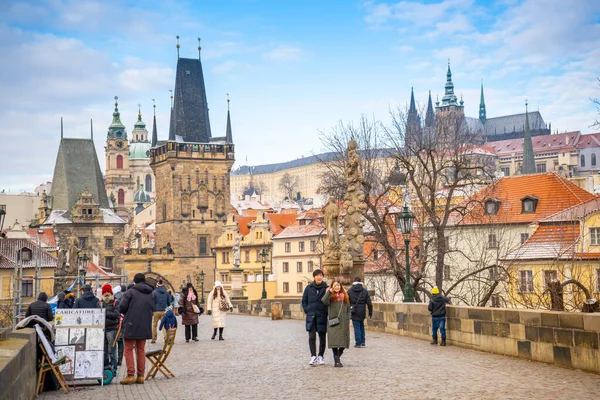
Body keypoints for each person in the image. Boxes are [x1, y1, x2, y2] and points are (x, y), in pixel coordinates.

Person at [119, 273, 154, 385]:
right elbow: (153, 307)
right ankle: (140, 376)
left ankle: (130, 375)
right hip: (145, 324)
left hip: (131, 323)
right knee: (140, 349)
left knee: (128, 349)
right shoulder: (151, 293)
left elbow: (122, 307)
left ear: (134, 281)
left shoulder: (130, 292)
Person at [301, 269, 329, 366]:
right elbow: (304, 300)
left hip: (322, 315)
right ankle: (313, 356)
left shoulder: (326, 288)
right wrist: (307, 310)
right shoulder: (309, 288)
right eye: (317, 275)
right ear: (314, 277)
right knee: (311, 337)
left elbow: (330, 301)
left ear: (322, 277)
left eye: (321, 275)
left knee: (322, 337)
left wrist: (326, 311)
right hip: (311, 316)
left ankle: (321, 356)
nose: (319, 277)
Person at [322, 279, 350, 367]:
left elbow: (348, 308)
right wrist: (329, 292)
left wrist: (348, 318)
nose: (337, 287)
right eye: (335, 285)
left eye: (338, 285)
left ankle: (337, 356)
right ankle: (337, 360)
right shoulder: (330, 297)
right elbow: (323, 301)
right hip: (333, 321)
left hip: (343, 322)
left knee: (343, 342)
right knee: (334, 341)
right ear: (332, 287)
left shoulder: (344, 296)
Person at [98, 284, 120, 371]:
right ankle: (106, 368)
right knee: (104, 351)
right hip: (102, 329)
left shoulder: (115, 302)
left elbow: (116, 315)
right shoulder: (99, 303)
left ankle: (114, 369)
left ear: (111, 293)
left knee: (112, 350)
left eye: (108, 292)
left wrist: (105, 312)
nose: (106, 294)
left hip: (112, 329)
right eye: (105, 292)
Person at [348, 276, 373, 348]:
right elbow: (369, 303)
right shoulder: (364, 291)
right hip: (362, 310)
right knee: (361, 325)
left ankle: (358, 343)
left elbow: (347, 302)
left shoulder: (350, 290)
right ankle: (363, 342)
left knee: (356, 327)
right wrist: (370, 312)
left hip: (354, 311)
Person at [151, 279, 170, 343]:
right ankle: (166, 338)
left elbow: (152, 301)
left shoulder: (154, 292)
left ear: (157, 285)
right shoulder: (166, 292)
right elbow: (169, 302)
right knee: (164, 325)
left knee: (154, 325)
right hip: (164, 310)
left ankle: (153, 338)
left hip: (156, 310)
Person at [114, 285, 125, 366]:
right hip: (122, 319)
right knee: (120, 341)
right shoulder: (126, 296)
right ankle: (120, 359)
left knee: (113, 341)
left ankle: (114, 360)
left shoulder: (114, 297)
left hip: (114, 321)